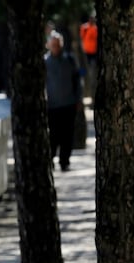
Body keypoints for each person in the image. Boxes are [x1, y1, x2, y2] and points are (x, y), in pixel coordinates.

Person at [44, 31, 82, 171]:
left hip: (69, 104)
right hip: (52, 105)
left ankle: (64, 161)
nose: (56, 47)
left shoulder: (70, 60)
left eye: (58, 45)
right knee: (52, 134)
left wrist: (78, 99)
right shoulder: (45, 62)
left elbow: (77, 81)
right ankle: (51, 158)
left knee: (67, 134)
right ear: (48, 45)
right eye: (53, 45)